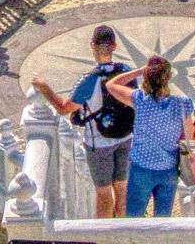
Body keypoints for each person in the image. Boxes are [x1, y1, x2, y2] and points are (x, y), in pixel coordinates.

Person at [28, 25, 134, 217]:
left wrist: (44, 87)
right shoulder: (126, 72)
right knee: (122, 190)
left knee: (103, 194)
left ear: (92, 45)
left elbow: (63, 108)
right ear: (115, 46)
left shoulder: (88, 80)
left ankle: (103, 236)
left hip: (99, 143)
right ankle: (123, 231)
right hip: (126, 137)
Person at [106, 56, 195, 217]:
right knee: (162, 220)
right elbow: (188, 137)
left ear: (147, 76)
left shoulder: (140, 100)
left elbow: (111, 85)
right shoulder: (182, 104)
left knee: (133, 218)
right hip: (168, 170)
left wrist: (139, 71)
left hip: (140, 169)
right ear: (168, 77)